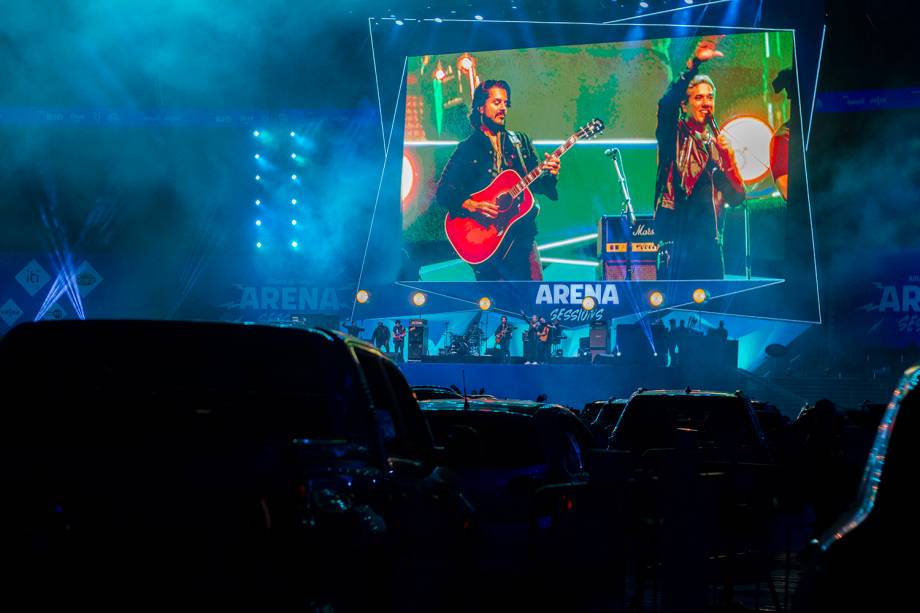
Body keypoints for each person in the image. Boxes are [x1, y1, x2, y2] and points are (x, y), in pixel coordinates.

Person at [436, 79, 561, 280]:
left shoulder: (520, 142)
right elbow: (444, 192)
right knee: (496, 307)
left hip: (522, 238)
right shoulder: (467, 149)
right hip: (486, 242)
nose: (503, 108)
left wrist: (551, 173)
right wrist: (472, 205)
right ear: (480, 108)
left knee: (534, 302)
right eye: (496, 102)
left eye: (505, 103)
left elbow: (539, 186)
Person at [653, 37, 746, 280]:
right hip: (677, 238)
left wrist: (730, 160)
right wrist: (693, 63)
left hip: (711, 244)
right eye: (698, 97)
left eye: (710, 97)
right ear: (684, 105)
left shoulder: (716, 143)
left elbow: (737, 198)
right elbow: (666, 104)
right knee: (674, 309)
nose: (706, 102)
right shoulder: (673, 135)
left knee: (712, 310)